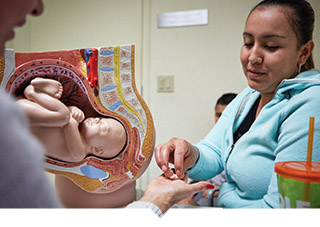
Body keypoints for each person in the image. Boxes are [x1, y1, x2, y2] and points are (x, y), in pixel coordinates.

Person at [154, 0, 320, 208]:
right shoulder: (250, 95)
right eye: (248, 43)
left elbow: (280, 210)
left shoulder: (310, 104)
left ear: (303, 52)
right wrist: (189, 154)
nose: (253, 57)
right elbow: (214, 153)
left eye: (271, 46)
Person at [16, 77, 127, 162]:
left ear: (98, 150)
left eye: (102, 127)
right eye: (100, 119)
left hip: (21, 120)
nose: (96, 120)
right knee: (63, 115)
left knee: (63, 116)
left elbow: (69, 123)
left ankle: (32, 92)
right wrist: (72, 109)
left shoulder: (78, 154)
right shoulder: (78, 134)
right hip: (30, 113)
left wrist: (72, 115)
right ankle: (38, 93)